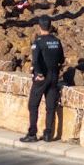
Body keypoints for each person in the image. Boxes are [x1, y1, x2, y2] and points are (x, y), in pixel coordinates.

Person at [20, 15, 65, 143]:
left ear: (39, 27)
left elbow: (35, 60)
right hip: (54, 76)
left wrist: (39, 73)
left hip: (42, 77)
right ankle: (48, 133)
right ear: (50, 26)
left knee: (33, 105)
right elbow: (61, 59)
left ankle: (32, 133)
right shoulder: (57, 41)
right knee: (50, 106)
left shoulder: (38, 42)